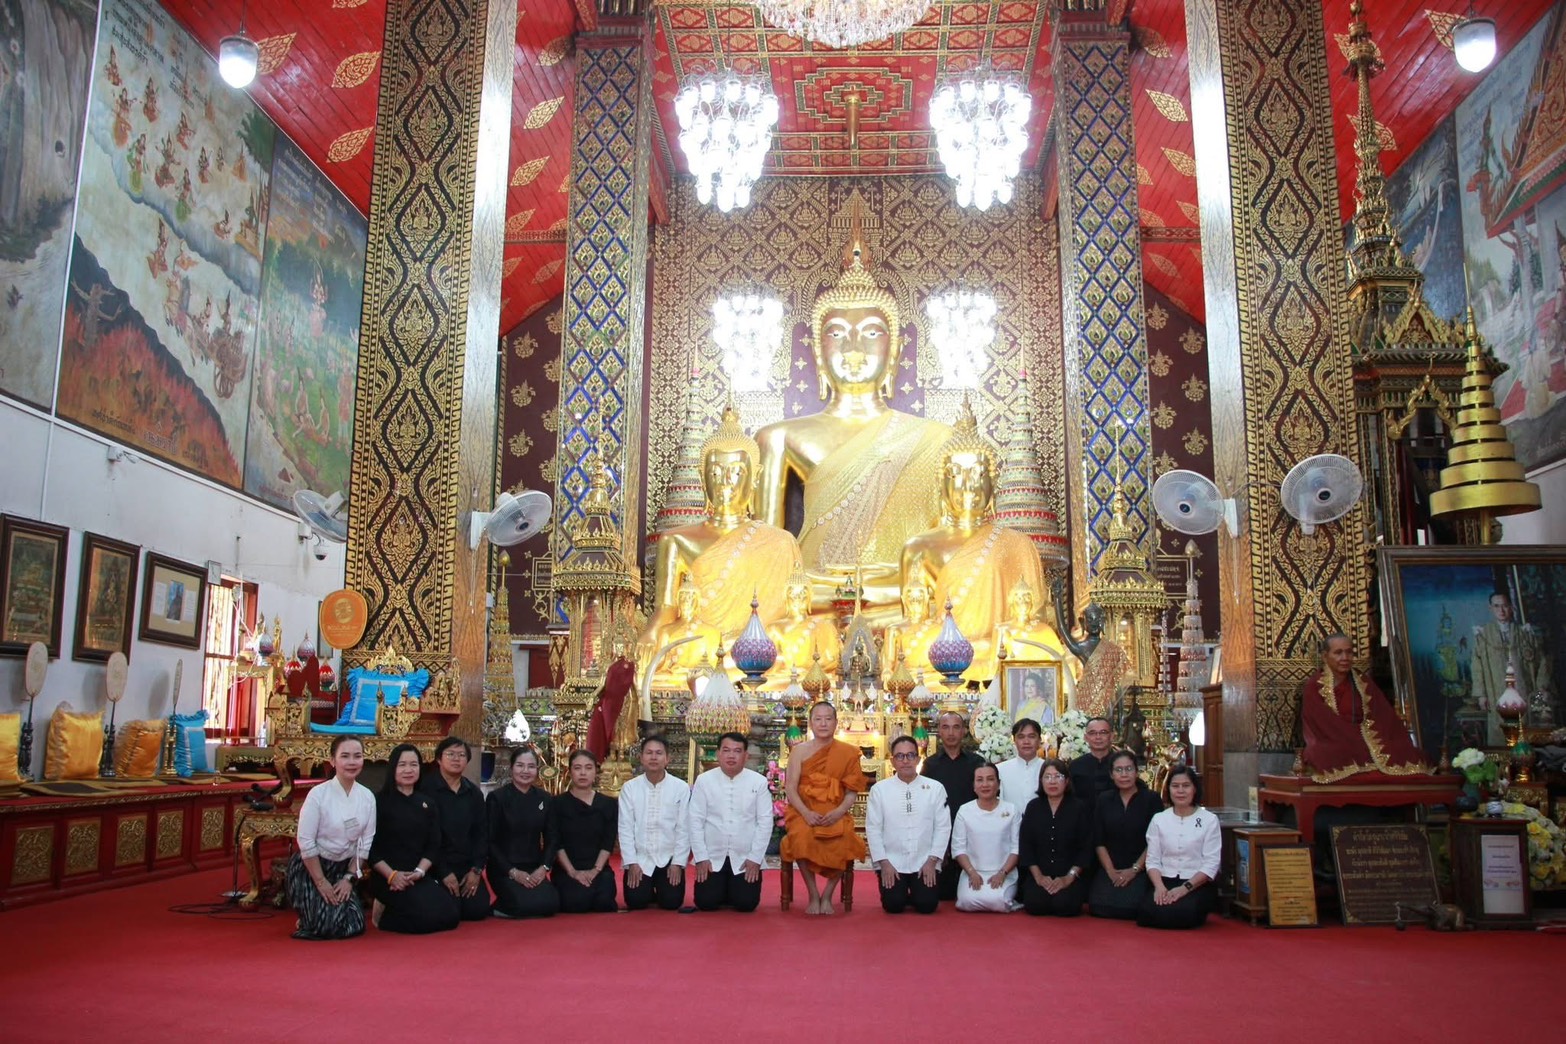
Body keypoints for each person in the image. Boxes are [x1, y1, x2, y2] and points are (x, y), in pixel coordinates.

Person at [900, 398, 1046, 681]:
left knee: (1034, 648)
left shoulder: (1016, 544)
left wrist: (1001, 642)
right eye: (956, 474)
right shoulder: (918, 548)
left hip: (996, 650)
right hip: (941, 655)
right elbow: (914, 623)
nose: (968, 486)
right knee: (911, 649)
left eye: (978, 474)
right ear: (941, 484)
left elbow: (1031, 624)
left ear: (993, 483)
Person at [1301, 634, 1431, 782]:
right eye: (1338, 653)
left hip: (1367, 736)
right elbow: (1320, 725)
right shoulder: (1314, 686)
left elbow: (1382, 716)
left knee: (1405, 751)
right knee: (1321, 753)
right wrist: (1354, 737)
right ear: (1325, 656)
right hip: (1334, 740)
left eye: (1349, 652)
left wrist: (1370, 738)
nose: (1345, 657)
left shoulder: (1362, 681)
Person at [781, 701, 869, 915]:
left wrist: (838, 812)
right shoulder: (799, 751)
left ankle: (828, 894)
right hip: (804, 811)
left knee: (845, 838)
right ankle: (813, 894)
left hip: (835, 810)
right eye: (818, 719)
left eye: (828, 719)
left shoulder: (848, 752)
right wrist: (806, 813)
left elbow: (852, 791)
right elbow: (790, 787)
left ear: (836, 723)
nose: (823, 723)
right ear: (810, 723)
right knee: (801, 837)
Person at [286, 735, 374, 941]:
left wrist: (348, 878)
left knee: (355, 925)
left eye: (357, 756)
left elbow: (365, 844)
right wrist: (321, 882)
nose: (352, 762)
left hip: (343, 870)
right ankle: (310, 916)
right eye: (345, 756)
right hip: (312, 868)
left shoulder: (367, 797)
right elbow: (306, 842)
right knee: (327, 927)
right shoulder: (318, 795)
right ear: (333, 760)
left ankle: (319, 915)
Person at [367, 744, 459, 934]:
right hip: (387, 876)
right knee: (425, 918)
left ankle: (395, 909)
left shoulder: (427, 803)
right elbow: (370, 848)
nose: (408, 770)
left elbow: (433, 844)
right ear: (392, 768)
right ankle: (383, 917)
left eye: (413, 765)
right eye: (402, 765)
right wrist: (392, 876)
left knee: (450, 915)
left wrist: (420, 871)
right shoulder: (378, 802)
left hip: (416, 875)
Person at [688, 731, 773, 913]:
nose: (731, 756)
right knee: (706, 903)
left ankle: (732, 889)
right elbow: (695, 820)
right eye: (726, 750)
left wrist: (755, 858)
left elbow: (765, 822)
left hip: (745, 858)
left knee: (746, 904)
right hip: (712, 856)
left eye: (737, 751)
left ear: (746, 756)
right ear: (718, 754)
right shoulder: (704, 781)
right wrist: (701, 857)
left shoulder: (759, 782)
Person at [866, 735, 951, 915]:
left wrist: (932, 861)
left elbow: (943, 827)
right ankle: (900, 891)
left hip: (925, 860)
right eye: (900, 756)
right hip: (892, 861)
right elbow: (873, 829)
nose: (905, 761)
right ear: (892, 761)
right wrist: (884, 863)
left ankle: (917, 892)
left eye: (910, 755)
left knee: (927, 905)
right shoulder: (879, 790)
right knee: (893, 905)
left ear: (918, 759)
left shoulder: (935, 788)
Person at [1138, 765, 1221, 930]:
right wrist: (1159, 887)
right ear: (1168, 789)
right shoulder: (1159, 819)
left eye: (1186, 786)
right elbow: (1152, 859)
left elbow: (1211, 863)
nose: (1180, 791)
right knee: (1147, 912)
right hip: (1165, 879)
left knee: (1183, 912)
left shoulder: (1209, 820)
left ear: (1195, 789)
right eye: (1175, 786)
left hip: (1195, 883)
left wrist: (1184, 888)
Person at [617, 734, 690, 911]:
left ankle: (660, 887)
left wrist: (678, 863)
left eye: (659, 753)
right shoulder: (630, 788)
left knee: (672, 902)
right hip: (640, 858)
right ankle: (647, 888)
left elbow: (684, 829)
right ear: (641, 757)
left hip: (668, 858)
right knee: (636, 902)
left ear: (667, 759)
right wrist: (631, 862)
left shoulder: (680, 788)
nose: (654, 757)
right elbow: (625, 828)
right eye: (649, 753)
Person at [421, 736, 490, 922]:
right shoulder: (426, 790)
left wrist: (476, 870)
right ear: (438, 759)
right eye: (450, 754)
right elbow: (424, 837)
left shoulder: (473, 793)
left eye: (461, 755)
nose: (456, 759)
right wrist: (443, 871)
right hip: (434, 865)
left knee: (477, 910)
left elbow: (481, 834)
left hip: (465, 866)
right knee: (447, 911)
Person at [486, 745, 560, 919]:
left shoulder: (545, 799)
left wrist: (543, 868)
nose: (525, 771)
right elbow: (489, 841)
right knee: (522, 905)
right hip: (505, 868)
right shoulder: (497, 798)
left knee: (551, 904)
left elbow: (552, 838)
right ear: (511, 768)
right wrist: (513, 872)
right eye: (520, 765)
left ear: (537, 769)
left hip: (534, 867)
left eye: (531, 766)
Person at [921, 710, 987, 900]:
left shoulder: (976, 762)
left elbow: (987, 796)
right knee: (941, 893)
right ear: (939, 732)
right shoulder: (930, 765)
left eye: (956, 727)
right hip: (940, 832)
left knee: (975, 891)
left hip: (972, 831)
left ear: (964, 731)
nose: (951, 733)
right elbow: (925, 802)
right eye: (946, 727)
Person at [1089, 750, 1162, 920]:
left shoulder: (1151, 799)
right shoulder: (1104, 799)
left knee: (1132, 907)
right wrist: (1110, 871)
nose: (1124, 774)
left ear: (1137, 772)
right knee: (1099, 906)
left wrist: (1134, 869)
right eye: (1119, 770)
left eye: (1129, 769)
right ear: (1111, 774)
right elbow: (1099, 840)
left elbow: (1155, 841)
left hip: (1141, 866)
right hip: (1111, 865)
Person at [1471, 592, 1552, 745]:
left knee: (1525, 733)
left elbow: (1542, 661)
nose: (1501, 610)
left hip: (1522, 691)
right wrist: (1481, 695)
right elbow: (1477, 667)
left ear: (1511, 607)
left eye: (1505, 606)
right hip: (1496, 691)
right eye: (1496, 606)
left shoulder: (1524, 633)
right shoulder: (1483, 635)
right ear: (1490, 608)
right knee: (1501, 733)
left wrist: (1541, 688)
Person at [1017, 758, 1091, 917]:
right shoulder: (1033, 807)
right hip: (1040, 873)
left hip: (1069, 874)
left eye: (1058, 776)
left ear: (1067, 781)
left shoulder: (1078, 807)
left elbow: (1085, 847)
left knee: (1065, 905)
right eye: (1047, 777)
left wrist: (1068, 877)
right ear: (1041, 781)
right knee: (1036, 905)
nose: (1052, 781)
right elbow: (1026, 845)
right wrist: (1038, 877)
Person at [550, 749, 618, 913]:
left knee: (604, 903)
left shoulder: (608, 804)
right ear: (570, 771)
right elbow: (556, 842)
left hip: (598, 869)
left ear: (596, 771)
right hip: (567, 869)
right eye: (577, 768)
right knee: (575, 902)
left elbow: (608, 842)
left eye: (588, 768)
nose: (582, 773)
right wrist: (573, 872)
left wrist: (595, 870)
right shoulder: (557, 804)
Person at [951, 763, 1021, 912]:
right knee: (966, 902)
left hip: (1004, 872)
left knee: (998, 901)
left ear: (998, 784)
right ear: (974, 786)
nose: (985, 784)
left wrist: (1002, 873)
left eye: (990, 779)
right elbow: (958, 848)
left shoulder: (1012, 810)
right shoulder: (965, 811)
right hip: (973, 872)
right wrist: (971, 872)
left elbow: (1016, 848)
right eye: (979, 780)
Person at [1069, 717, 1116, 811]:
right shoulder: (1075, 766)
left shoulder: (1121, 765)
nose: (1098, 737)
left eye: (1103, 732)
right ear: (1085, 737)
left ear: (1112, 736)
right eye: (1092, 733)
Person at [997, 718, 1044, 808]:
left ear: (1039, 740)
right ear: (1014, 740)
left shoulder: (1048, 768)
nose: (1026, 742)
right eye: (1021, 737)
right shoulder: (1000, 769)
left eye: (1031, 736)